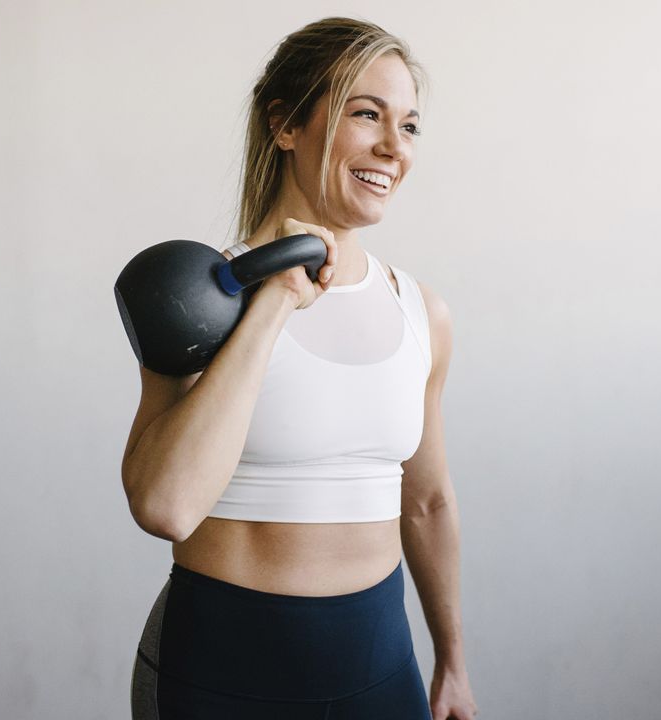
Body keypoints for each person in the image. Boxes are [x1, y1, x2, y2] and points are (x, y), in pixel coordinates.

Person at [121, 17, 479, 719]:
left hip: (380, 668)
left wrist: (454, 662)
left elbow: (428, 502)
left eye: (408, 126)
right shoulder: (203, 301)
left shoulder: (422, 313)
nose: (392, 147)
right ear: (286, 125)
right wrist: (276, 298)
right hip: (220, 675)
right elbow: (164, 505)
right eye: (365, 114)